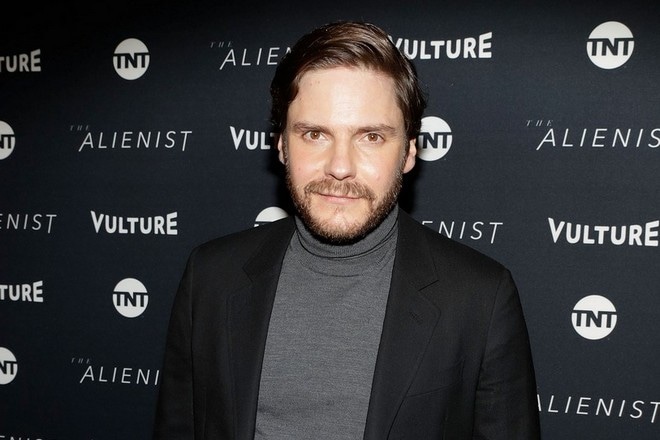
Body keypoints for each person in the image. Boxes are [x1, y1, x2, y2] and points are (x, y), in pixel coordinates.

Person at [153, 21, 540, 440]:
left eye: (371, 136)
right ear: (281, 144)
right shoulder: (210, 277)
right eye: (315, 134)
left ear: (409, 151)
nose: (340, 167)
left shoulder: (480, 297)